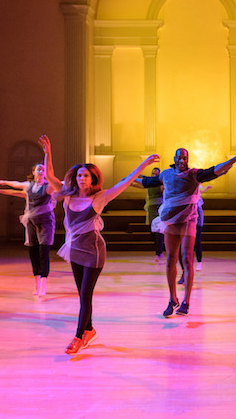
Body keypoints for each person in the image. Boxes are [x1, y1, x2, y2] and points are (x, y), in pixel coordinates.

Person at [40, 134, 160, 354]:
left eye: (85, 175)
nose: (81, 179)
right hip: (74, 249)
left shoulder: (99, 198)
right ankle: (90, 330)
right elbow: (49, 175)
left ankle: (78, 337)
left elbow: (124, 183)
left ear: (92, 178)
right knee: (82, 294)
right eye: (78, 175)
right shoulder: (67, 195)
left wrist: (143, 164)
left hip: (94, 251)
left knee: (86, 295)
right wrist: (48, 152)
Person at [139, 148, 236, 318]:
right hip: (171, 219)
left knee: (187, 258)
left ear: (188, 159)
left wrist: (235, 159)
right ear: (174, 158)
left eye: (184, 158)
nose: (182, 160)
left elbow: (216, 169)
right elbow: (146, 182)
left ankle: (186, 301)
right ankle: (172, 299)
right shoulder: (166, 174)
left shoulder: (194, 174)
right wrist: (128, 178)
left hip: (189, 219)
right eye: (179, 157)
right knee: (171, 258)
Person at [0, 162, 60, 296]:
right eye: (39, 170)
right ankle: (36, 284)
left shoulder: (48, 187)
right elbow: (16, 186)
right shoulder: (28, 186)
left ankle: (43, 285)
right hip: (31, 222)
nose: (41, 172)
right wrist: (3, 185)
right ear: (34, 173)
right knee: (33, 252)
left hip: (45, 222)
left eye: (43, 170)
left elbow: (61, 183)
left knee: (43, 253)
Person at [178, 184, 211, 284]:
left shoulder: (195, 185)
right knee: (181, 246)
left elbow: (200, 188)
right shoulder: (180, 185)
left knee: (195, 242)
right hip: (182, 216)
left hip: (195, 219)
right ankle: (184, 272)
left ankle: (194, 267)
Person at [134, 167, 165, 262]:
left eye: (156, 174)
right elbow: (139, 185)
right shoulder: (148, 184)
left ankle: (158, 253)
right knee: (151, 232)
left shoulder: (161, 184)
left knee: (158, 232)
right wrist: (127, 182)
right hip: (150, 209)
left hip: (158, 209)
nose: (154, 175)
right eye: (153, 174)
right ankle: (159, 251)